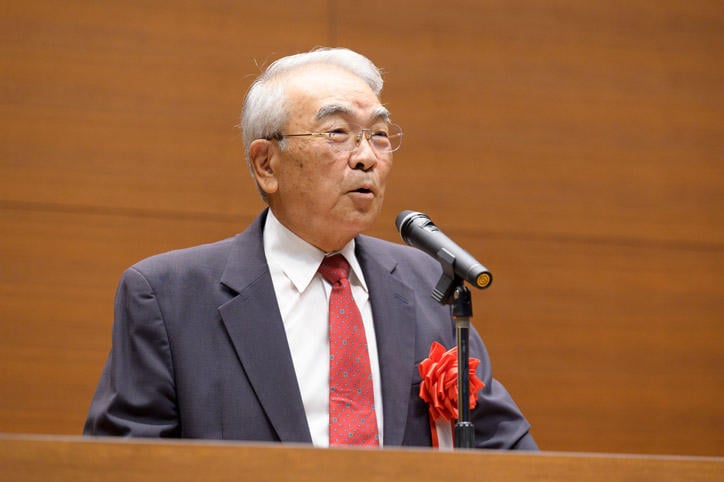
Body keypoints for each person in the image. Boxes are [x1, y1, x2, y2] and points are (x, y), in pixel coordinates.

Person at [84, 47, 537, 450]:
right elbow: (123, 463)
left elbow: (506, 449)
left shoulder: (429, 285)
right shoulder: (168, 298)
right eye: (337, 132)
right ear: (266, 164)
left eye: (379, 134)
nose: (367, 157)